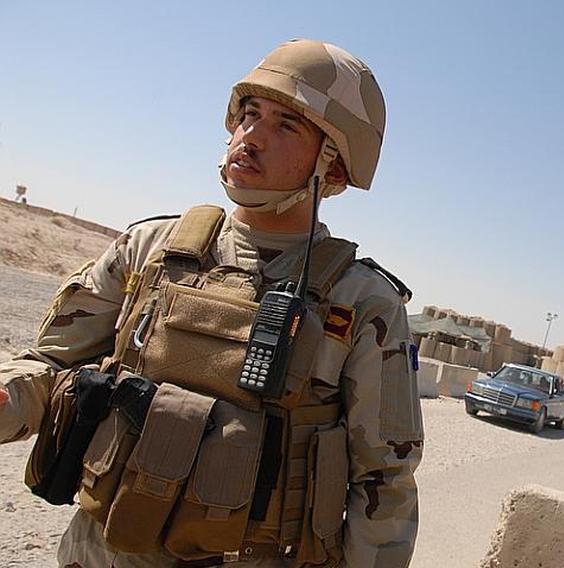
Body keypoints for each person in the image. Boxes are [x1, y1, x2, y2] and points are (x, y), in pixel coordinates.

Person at [0, 39, 423, 568]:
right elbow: (50, 368)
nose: (251, 136)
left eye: (285, 125)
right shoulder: (149, 248)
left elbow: (384, 483)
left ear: (334, 169)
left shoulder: (363, 304)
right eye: (249, 115)